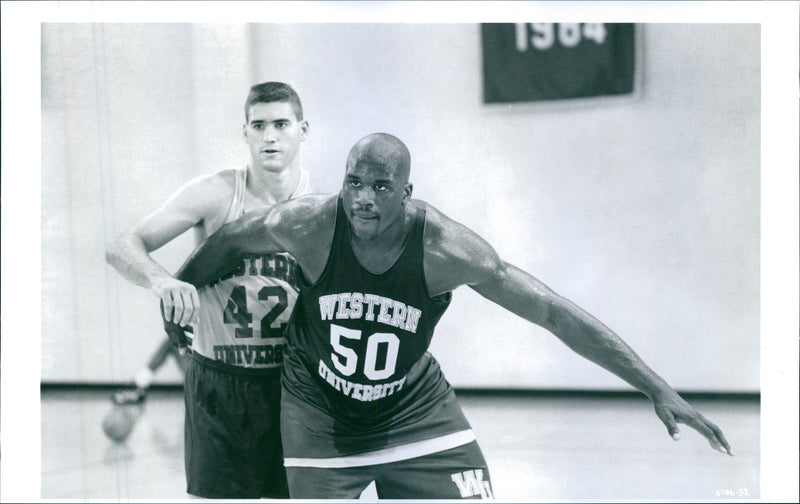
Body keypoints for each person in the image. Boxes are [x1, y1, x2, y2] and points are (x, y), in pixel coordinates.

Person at [170, 132, 732, 499]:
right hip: (319, 412)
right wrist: (180, 291)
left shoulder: (449, 251)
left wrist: (655, 387)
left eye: (380, 186)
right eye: (354, 183)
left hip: (412, 408)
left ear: (406, 192)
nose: (363, 198)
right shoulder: (310, 225)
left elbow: (554, 313)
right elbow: (232, 240)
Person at [105, 81, 312, 498]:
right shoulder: (217, 193)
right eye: (258, 125)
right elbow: (121, 246)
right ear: (245, 132)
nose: (269, 136)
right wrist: (160, 279)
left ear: (302, 130)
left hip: (292, 386)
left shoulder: (319, 205)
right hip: (220, 383)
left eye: (281, 124)